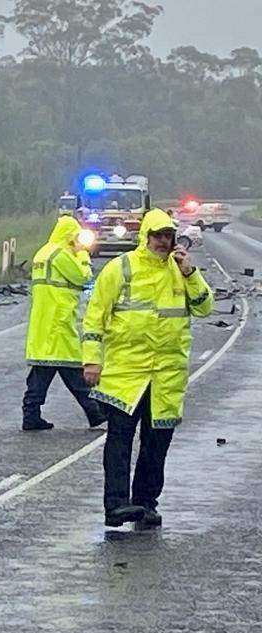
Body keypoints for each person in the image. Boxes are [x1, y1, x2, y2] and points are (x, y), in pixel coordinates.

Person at [82, 209, 214, 527]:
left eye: (168, 236)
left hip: (166, 376)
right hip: (126, 373)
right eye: (157, 236)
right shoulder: (121, 268)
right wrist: (91, 359)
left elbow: (205, 308)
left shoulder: (181, 271)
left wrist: (190, 273)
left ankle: (145, 503)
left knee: (157, 443)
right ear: (146, 236)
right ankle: (115, 506)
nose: (163, 242)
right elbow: (95, 316)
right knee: (119, 440)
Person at [22, 215, 107, 431]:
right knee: (72, 369)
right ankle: (94, 412)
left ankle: (32, 414)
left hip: (44, 322)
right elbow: (83, 277)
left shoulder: (43, 252)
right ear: (70, 235)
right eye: (76, 237)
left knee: (43, 371)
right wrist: (83, 254)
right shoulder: (60, 253)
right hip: (59, 321)